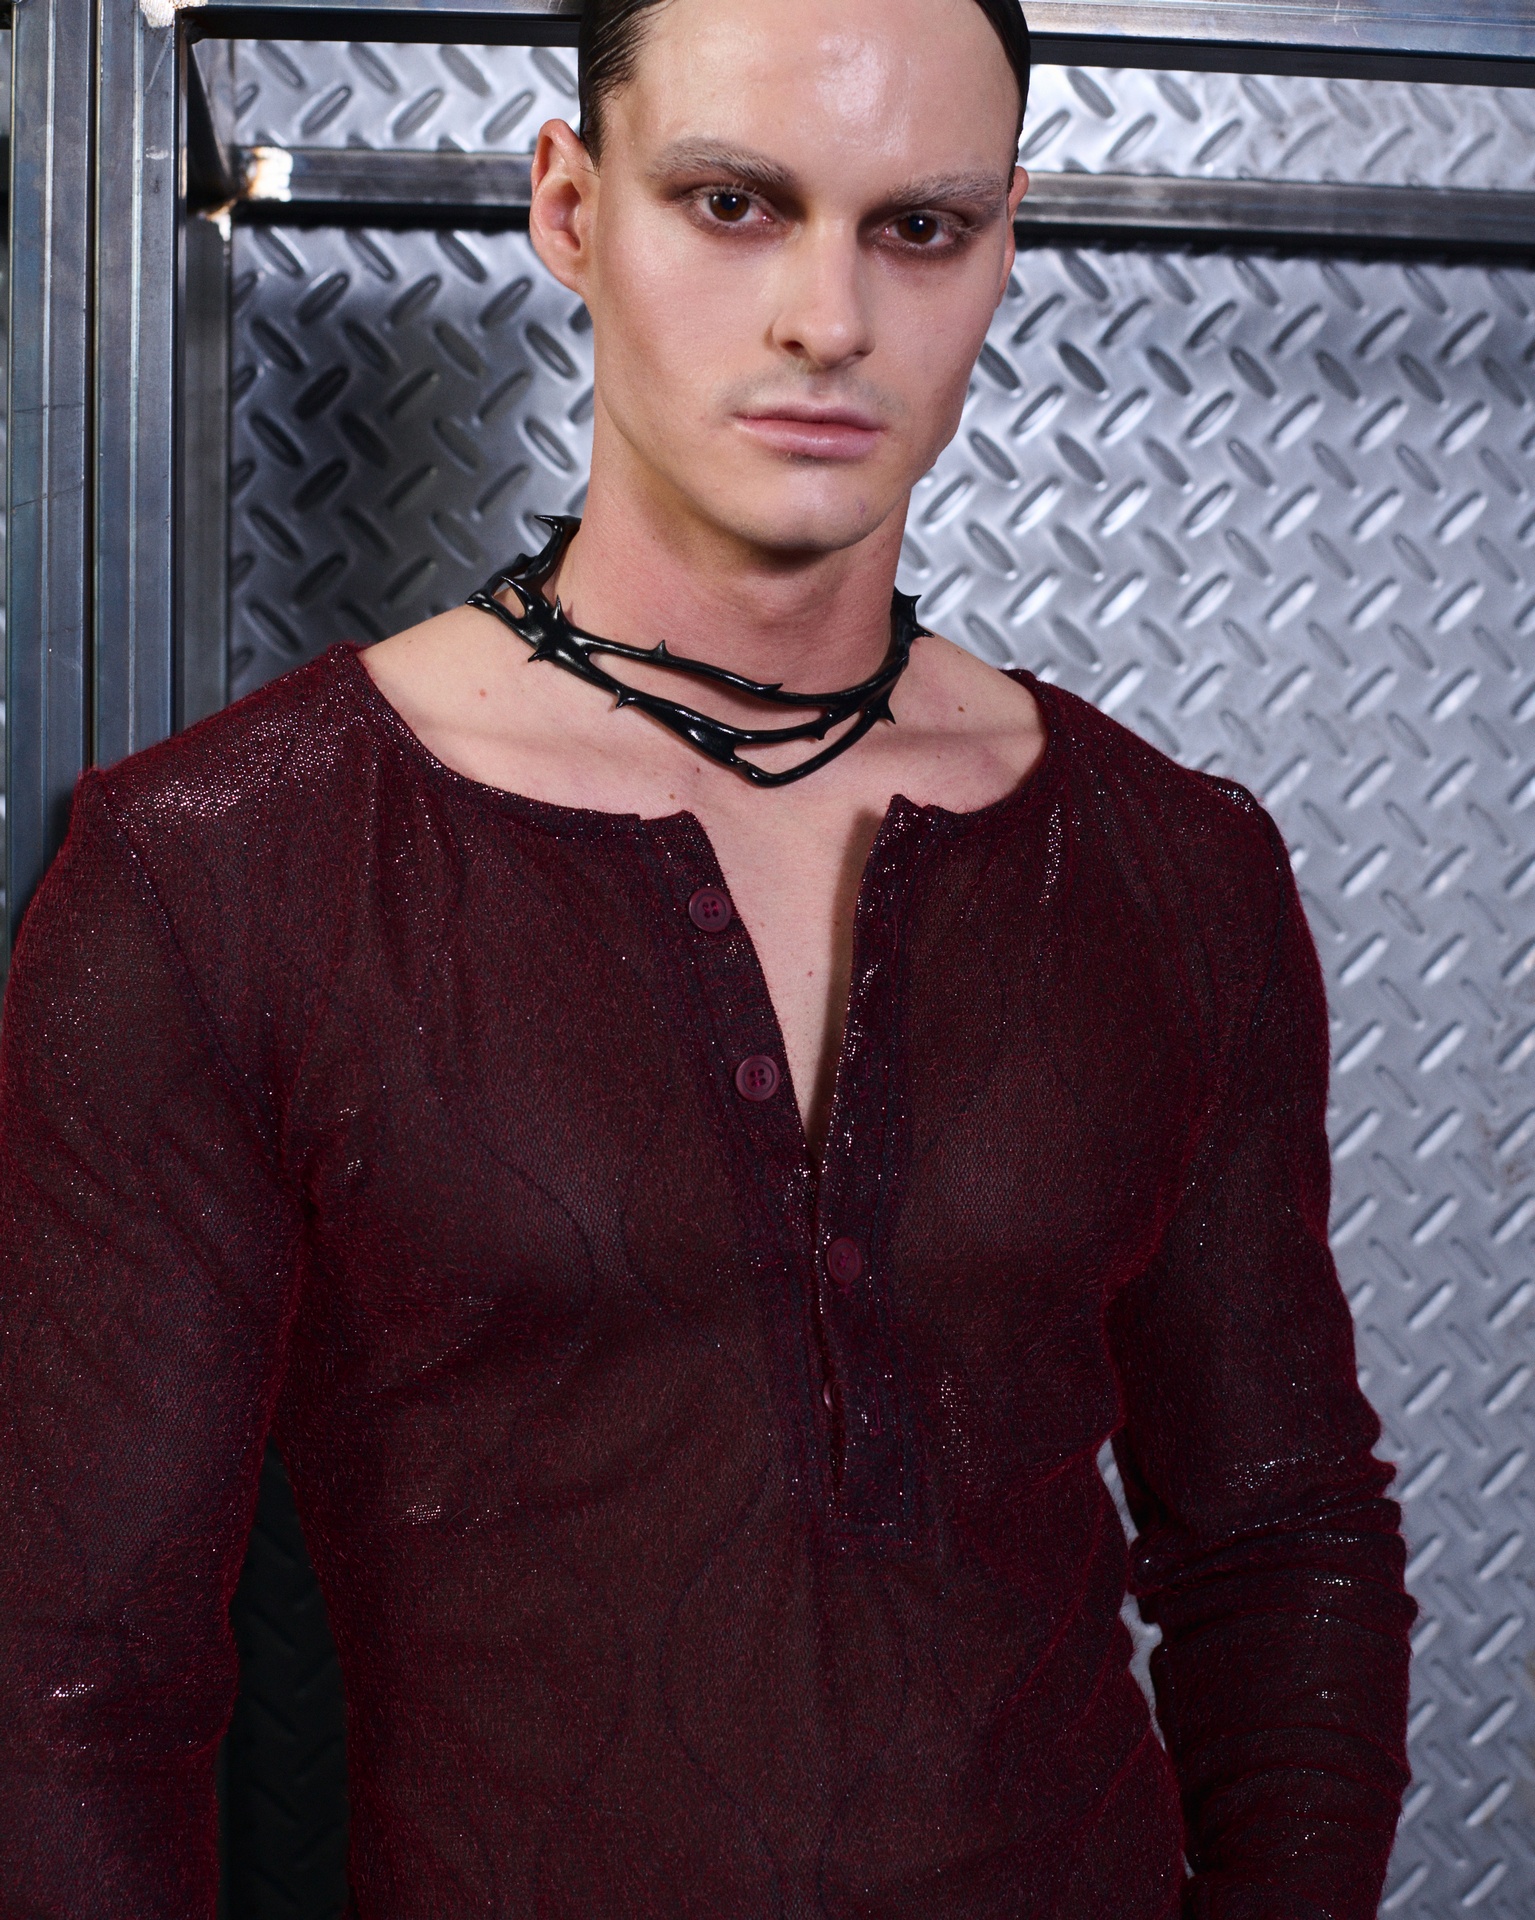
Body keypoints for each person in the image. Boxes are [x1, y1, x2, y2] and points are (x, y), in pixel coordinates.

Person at [0, 0, 1415, 1913]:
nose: (829, 318)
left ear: (1004, 241)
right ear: (572, 209)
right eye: (736, 203)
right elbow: (75, 1683)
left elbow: (1283, 1539)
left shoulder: (1178, 867)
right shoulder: (219, 870)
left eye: (918, 227)